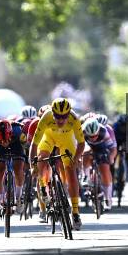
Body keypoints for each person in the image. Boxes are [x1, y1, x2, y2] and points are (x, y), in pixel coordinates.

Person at [29, 98, 85, 230]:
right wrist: (33, 165)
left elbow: (81, 144)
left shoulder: (74, 119)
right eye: (57, 117)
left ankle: (75, 212)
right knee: (41, 158)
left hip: (67, 141)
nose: (60, 120)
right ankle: (43, 187)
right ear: (52, 113)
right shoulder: (46, 117)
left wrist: (76, 159)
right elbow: (34, 144)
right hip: (48, 138)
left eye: (63, 117)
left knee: (71, 171)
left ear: (68, 114)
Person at [0, 118, 27, 218]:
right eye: (1, 140)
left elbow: (27, 146)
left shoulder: (18, 132)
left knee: (19, 167)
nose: (4, 142)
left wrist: (27, 159)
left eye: (6, 140)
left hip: (16, 145)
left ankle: (19, 197)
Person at [81, 116, 117, 210]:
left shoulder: (104, 131)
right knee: (86, 153)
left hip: (102, 147)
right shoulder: (82, 132)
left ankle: (107, 198)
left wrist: (111, 157)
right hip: (88, 147)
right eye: (91, 136)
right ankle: (86, 177)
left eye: (95, 136)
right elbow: (79, 147)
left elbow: (113, 148)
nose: (93, 138)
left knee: (105, 169)